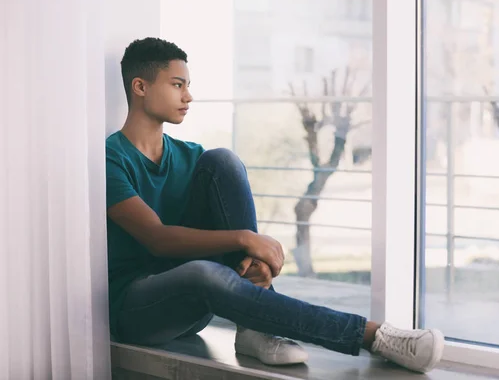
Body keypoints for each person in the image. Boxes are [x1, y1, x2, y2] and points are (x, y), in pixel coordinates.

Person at [106, 37, 445, 373]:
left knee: (223, 160)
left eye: (188, 85)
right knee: (202, 272)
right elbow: (157, 239)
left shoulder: (192, 156)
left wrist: (253, 263)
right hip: (140, 310)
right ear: (140, 87)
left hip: (197, 295)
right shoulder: (110, 158)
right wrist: (245, 239)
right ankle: (374, 336)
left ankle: (256, 328)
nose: (188, 96)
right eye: (177, 85)